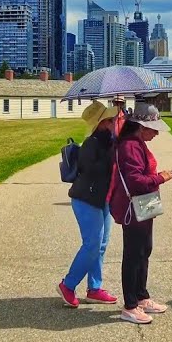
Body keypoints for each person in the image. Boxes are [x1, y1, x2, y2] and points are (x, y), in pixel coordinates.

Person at [111, 102, 172, 324]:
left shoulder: (137, 142)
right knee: (133, 254)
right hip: (135, 203)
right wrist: (162, 177)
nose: (156, 134)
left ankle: (141, 296)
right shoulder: (129, 146)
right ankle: (130, 305)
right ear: (141, 127)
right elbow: (134, 181)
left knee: (144, 249)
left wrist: (160, 176)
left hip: (145, 202)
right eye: (154, 129)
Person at [58, 101, 121, 307]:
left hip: (101, 200)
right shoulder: (91, 144)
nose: (114, 123)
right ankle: (68, 285)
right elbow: (94, 172)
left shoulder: (108, 142)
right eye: (110, 121)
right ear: (101, 123)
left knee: (101, 245)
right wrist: (113, 152)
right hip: (86, 200)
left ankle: (94, 288)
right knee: (92, 244)